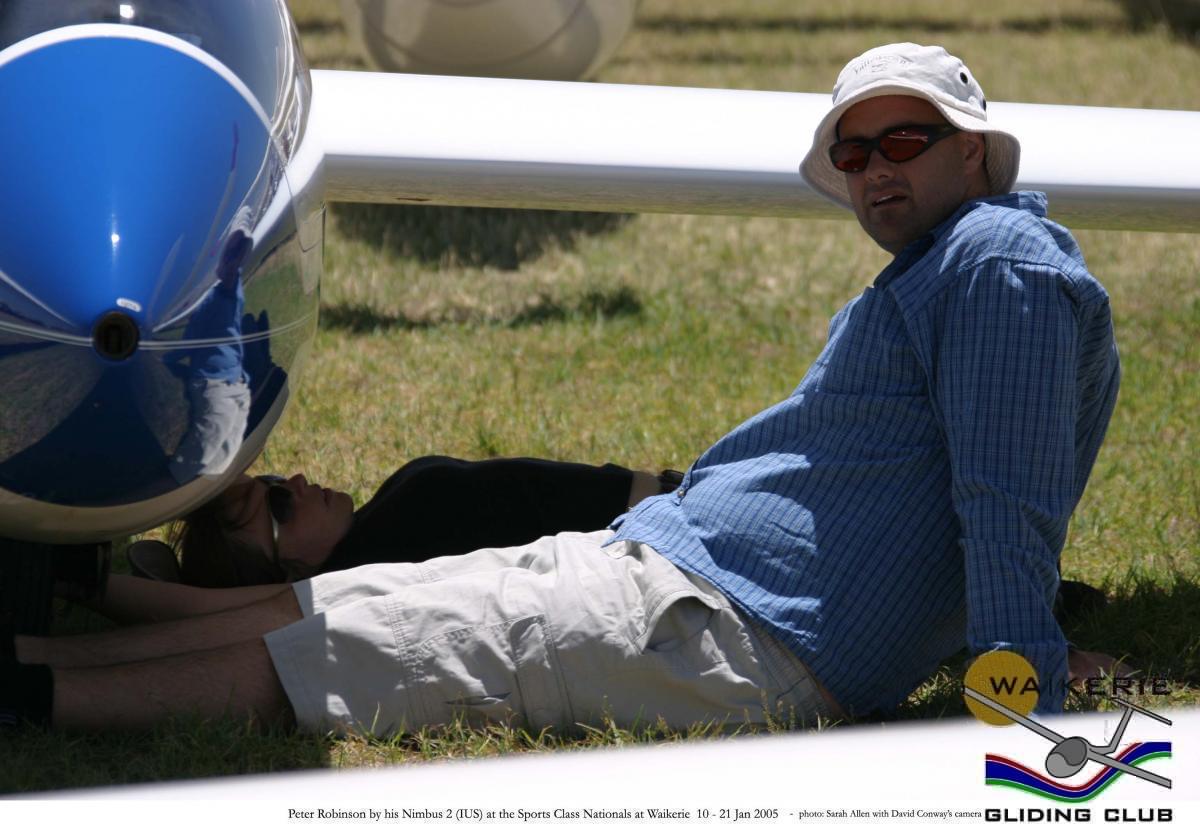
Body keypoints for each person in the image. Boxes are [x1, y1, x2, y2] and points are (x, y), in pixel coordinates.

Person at [2, 43, 1122, 735]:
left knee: (373, 648)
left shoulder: (1000, 269)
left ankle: (36, 701)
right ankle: (32, 657)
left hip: (732, 632)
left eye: (904, 141)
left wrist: (1020, 683)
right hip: (682, 578)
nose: (874, 170)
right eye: (854, 154)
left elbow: (1003, 498)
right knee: (354, 600)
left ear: (973, 150)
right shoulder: (950, 266)